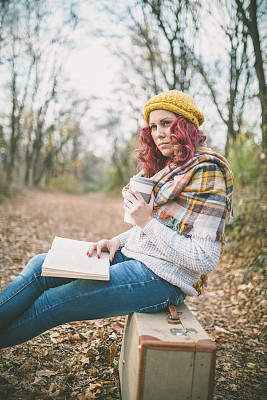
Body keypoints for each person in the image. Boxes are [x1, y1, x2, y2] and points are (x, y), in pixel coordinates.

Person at [0, 90, 233, 349]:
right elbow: (158, 229)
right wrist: (116, 242)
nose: (158, 133)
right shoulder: (171, 169)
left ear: (186, 124)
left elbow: (204, 258)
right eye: (153, 126)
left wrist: (146, 222)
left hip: (163, 279)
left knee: (54, 303)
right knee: (40, 267)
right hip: (136, 257)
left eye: (166, 123)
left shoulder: (207, 172)